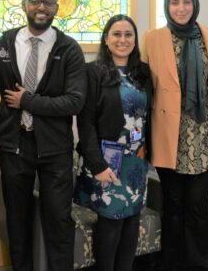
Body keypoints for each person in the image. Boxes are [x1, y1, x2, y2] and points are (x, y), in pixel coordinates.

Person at [0, 0, 86, 271]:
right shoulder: (5, 43)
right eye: (35, 1)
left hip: (55, 150)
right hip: (14, 146)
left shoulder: (68, 49)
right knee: (17, 221)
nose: (41, 7)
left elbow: (74, 102)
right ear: (24, 5)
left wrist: (28, 101)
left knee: (58, 221)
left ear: (57, 8)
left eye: (48, 2)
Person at [141, 0, 208, 271]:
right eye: (174, 2)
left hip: (204, 136)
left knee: (198, 205)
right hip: (169, 136)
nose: (181, 8)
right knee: (174, 205)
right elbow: (144, 88)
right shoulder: (152, 38)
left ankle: (200, 264)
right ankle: (172, 264)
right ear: (167, 6)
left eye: (186, 1)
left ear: (194, 3)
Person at [73, 15, 152, 271]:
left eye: (128, 34)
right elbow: (85, 124)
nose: (123, 40)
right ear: (106, 39)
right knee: (111, 224)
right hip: (107, 162)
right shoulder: (92, 72)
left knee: (131, 222)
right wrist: (96, 164)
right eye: (116, 34)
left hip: (136, 162)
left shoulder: (143, 73)